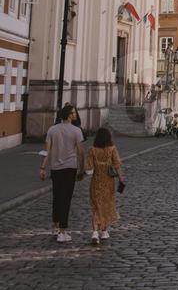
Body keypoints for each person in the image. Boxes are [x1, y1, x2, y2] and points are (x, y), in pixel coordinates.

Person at [39, 103, 85, 243]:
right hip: (70, 168)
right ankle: (62, 232)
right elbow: (81, 152)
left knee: (57, 196)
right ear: (69, 116)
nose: (75, 115)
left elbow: (47, 150)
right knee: (66, 199)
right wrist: (82, 169)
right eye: (73, 113)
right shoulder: (76, 131)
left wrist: (42, 167)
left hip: (55, 169)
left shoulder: (52, 130)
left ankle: (56, 224)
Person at [85, 127, 125, 244]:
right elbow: (117, 165)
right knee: (106, 205)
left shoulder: (92, 150)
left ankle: (94, 232)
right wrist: (121, 178)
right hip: (108, 183)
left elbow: (89, 169)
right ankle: (104, 231)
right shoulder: (112, 149)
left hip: (96, 182)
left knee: (96, 206)